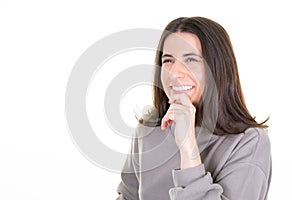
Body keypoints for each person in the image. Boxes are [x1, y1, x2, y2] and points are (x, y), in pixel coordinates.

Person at [116, 16, 271, 200]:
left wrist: (188, 146)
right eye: (168, 60)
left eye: (190, 60)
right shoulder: (148, 130)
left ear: (217, 68)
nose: (174, 73)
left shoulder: (249, 142)